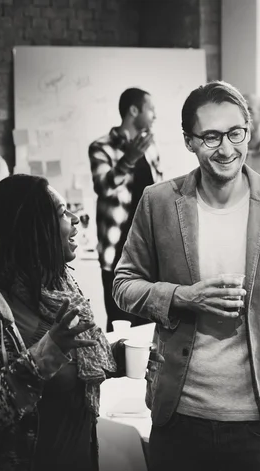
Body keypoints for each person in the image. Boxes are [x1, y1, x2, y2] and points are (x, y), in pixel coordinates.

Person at [113, 81, 260, 471]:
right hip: (179, 416)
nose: (226, 149)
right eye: (210, 137)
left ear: (248, 130)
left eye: (235, 133)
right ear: (189, 141)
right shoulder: (158, 202)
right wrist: (182, 297)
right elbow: (124, 284)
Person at [0, 175, 157, 471]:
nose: (76, 219)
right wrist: (48, 351)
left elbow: (75, 366)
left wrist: (119, 356)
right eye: (63, 213)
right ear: (33, 228)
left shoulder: (59, 287)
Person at [88, 87, 160, 331]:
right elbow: (103, 187)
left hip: (149, 250)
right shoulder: (101, 147)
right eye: (151, 109)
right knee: (120, 323)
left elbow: (157, 192)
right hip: (117, 250)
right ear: (133, 110)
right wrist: (128, 160)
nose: (154, 115)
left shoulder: (150, 147)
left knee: (149, 321)